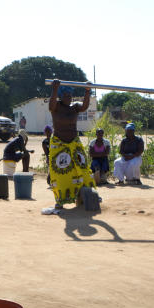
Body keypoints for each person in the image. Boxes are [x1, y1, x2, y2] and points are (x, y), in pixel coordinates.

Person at [44, 80, 96, 214]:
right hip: (59, 143)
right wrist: (55, 88)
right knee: (60, 173)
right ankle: (59, 201)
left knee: (82, 167)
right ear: (60, 96)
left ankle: (89, 195)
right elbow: (51, 105)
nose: (69, 97)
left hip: (74, 141)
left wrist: (87, 90)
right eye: (66, 95)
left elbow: (85, 106)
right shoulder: (55, 107)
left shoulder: (75, 107)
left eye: (70, 95)